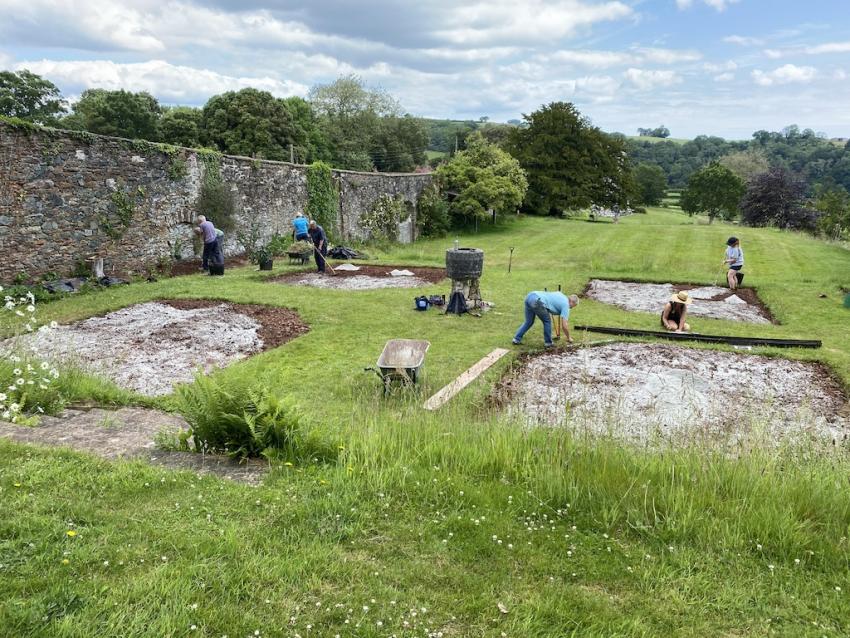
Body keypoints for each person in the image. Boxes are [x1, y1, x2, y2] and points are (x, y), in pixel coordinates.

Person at [512, 291, 578, 348]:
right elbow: (564, 325)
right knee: (547, 321)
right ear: (571, 301)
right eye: (573, 306)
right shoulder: (566, 305)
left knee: (528, 321)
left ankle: (516, 339)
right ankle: (548, 343)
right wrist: (569, 338)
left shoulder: (561, 295)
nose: (571, 308)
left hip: (530, 296)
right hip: (538, 301)